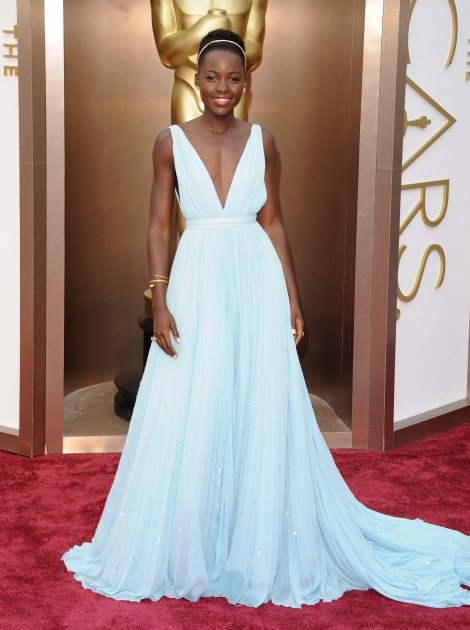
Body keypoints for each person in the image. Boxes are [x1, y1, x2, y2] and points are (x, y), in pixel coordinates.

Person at [62, 28, 470, 609]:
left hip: (253, 279)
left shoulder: (265, 141)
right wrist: (160, 298)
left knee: (252, 396)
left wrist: (293, 297)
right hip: (199, 275)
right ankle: (194, 541)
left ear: (246, 82)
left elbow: (274, 221)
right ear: (194, 81)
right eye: (211, 77)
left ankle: (251, 533)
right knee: (193, 399)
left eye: (233, 78)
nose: (221, 88)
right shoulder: (168, 141)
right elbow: (157, 225)